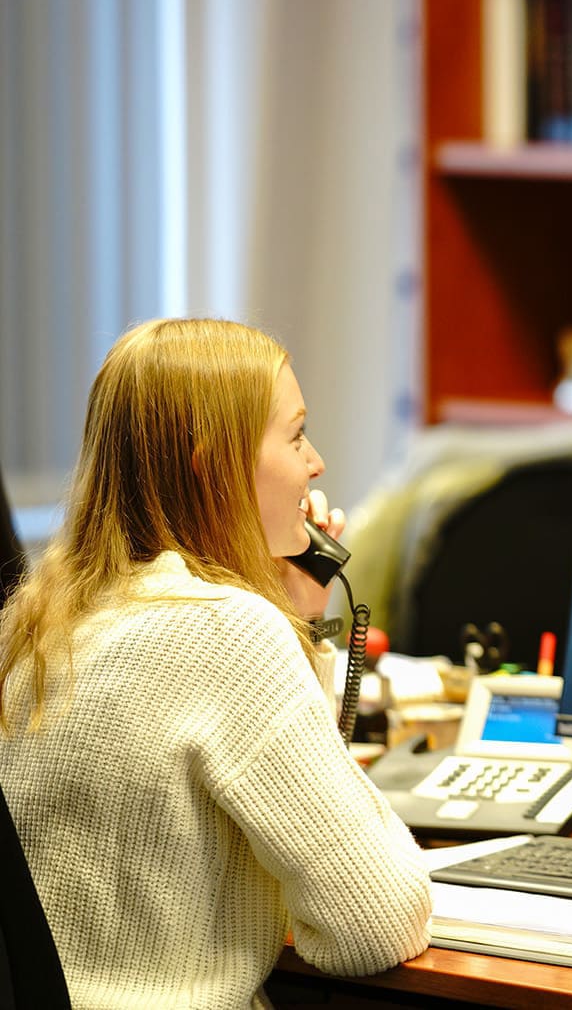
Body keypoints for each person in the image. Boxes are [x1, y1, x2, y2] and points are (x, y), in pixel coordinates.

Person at [0, 318, 432, 1005]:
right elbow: (373, 922)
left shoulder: (26, 622)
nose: (315, 463)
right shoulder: (227, 631)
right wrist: (283, 626)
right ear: (211, 466)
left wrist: (291, 619)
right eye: (295, 435)